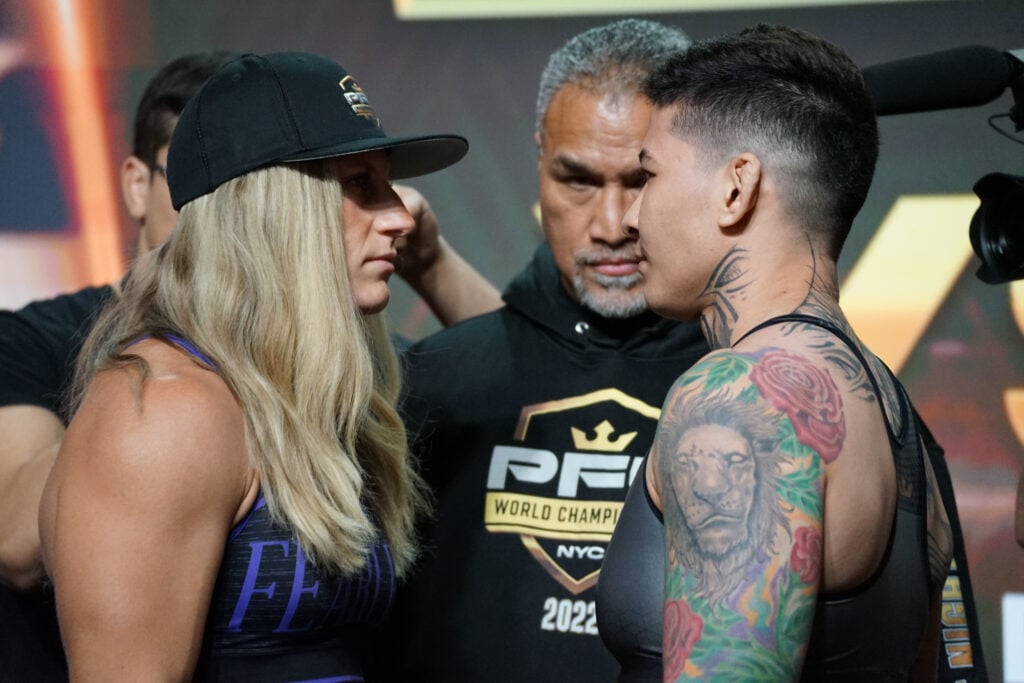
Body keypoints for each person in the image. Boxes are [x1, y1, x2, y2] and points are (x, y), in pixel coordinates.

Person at [0, 50, 498, 679]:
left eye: (387, 184)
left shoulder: (315, 397)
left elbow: (529, 380)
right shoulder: (163, 410)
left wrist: (435, 265)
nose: (402, 215)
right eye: (359, 184)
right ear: (272, 209)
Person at [601, 23, 962, 680]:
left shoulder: (745, 393)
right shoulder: (894, 411)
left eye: (647, 176)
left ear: (736, 188)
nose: (628, 217)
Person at [380, 19, 709, 682]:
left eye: (641, 180)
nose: (612, 225)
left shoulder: (756, 389)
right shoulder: (437, 382)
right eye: (578, 180)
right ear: (539, 159)